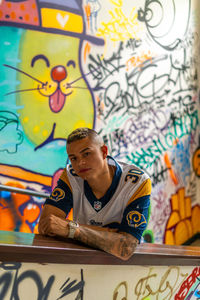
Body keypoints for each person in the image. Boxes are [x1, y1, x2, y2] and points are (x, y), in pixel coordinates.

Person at [38, 127, 151, 260]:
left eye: (86, 154)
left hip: (124, 269)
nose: (80, 163)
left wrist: (72, 229)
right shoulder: (71, 176)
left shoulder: (137, 182)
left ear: (104, 152)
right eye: (73, 158)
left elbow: (125, 247)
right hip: (83, 260)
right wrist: (111, 234)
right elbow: (47, 225)